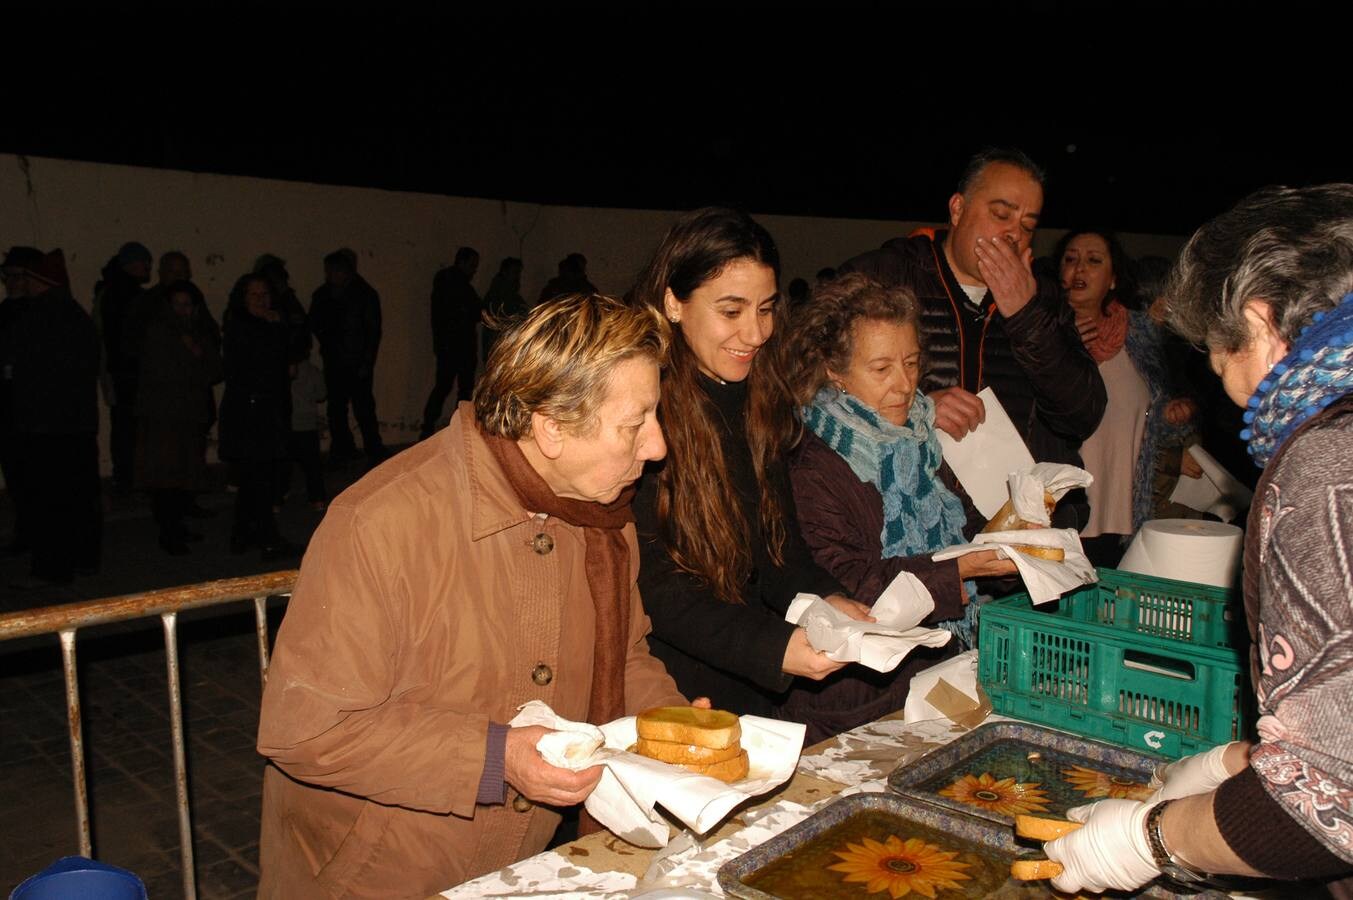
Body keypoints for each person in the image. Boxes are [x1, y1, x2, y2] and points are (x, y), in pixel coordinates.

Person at [257, 293, 690, 898]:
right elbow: (305, 731)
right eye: (634, 423)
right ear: (552, 429)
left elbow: (622, 658)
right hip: (373, 876)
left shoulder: (600, 516)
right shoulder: (382, 521)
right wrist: (497, 758)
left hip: (513, 866)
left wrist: (677, 729)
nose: (657, 446)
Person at [1041, 184, 1353, 896]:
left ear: (1258, 319)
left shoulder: (1328, 462)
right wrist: (1238, 765)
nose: (1215, 370)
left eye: (1215, 346)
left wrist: (1148, 838)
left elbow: (1330, 802)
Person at [630, 207, 874, 731]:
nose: (756, 332)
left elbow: (780, 552)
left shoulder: (761, 398)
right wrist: (775, 647)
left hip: (749, 691)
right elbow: (655, 587)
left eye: (766, 309)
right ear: (674, 302)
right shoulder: (642, 410)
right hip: (664, 689)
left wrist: (827, 601)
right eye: (732, 310)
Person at [781, 274, 1020, 738]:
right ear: (834, 370)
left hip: (934, 678)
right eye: (881, 368)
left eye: (911, 363)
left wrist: (1014, 543)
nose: (905, 384)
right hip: (852, 704)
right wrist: (963, 570)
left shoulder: (919, 441)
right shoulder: (813, 460)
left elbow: (969, 530)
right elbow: (850, 582)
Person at [840, 148, 1106, 529]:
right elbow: (816, 394)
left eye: (1028, 225)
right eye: (1001, 215)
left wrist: (1025, 314)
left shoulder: (1044, 298)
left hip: (1017, 532)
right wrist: (916, 410)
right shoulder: (883, 276)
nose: (1013, 233)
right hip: (912, 527)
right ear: (957, 208)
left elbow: (1082, 414)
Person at [1056, 229, 1201, 566]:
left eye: (1093, 261)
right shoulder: (1041, 333)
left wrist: (1174, 415)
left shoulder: (1142, 336)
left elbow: (1153, 415)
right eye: (1071, 259)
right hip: (1060, 511)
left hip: (1124, 512)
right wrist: (1063, 345)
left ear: (1113, 279)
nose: (1079, 269)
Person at [0, 250, 102, 587]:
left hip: (46, 425)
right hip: (71, 423)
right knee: (75, 496)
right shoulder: (69, 314)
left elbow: (28, 372)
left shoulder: (40, 318)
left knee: (51, 499)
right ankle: (82, 559)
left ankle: (54, 567)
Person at [134, 280, 222, 555]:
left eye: (188, 305)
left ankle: (178, 527)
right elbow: (161, 373)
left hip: (187, 416)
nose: (183, 311)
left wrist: (197, 353)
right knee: (166, 477)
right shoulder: (158, 332)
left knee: (183, 475)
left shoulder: (198, 333)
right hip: (164, 417)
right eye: (177, 305)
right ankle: (169, 533)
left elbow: (214, 369)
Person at [218, 273, 297, 560]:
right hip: (250, 413)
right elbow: (263, 365)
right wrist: (275, 330)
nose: (262, 300)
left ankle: (242, 534)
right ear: (243, 298)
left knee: (254, 478)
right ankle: (267, 538)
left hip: (264, 410)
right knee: (259, 478)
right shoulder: (243, 327)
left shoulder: (271, 323)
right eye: (254, 295)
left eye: (265, 294)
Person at [308, 250, 386, 464]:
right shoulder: (323, 295)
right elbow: (315, 321)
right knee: (336, 409)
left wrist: (366, 362)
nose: (329, 275)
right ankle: (343, 449)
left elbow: (372, 332)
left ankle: (373, 448)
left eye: (332, 271)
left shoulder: (364, 295)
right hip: (335, 361)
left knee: (364, 408)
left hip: (356, 361)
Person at [94, 241, 152, 492]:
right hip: (128, 369)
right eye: (144, 262)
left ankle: (126, 477)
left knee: (125, 425)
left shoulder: (113, 290)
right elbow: (126, 336)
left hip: (121, 369)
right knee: (129, 426)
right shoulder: (125, 294)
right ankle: (128, 478)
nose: (148, 267)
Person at [0, 246, 45, 554]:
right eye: (8, 277)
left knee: (37, 476)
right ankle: (25, 533)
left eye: (19, 276)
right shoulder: (5, 312)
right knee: (16, 475)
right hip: (8, 408)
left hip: (36, 410)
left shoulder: (42, 313)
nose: (13, 283)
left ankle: (40, 535)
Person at [420, 246, 481, 439]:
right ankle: (457, 432)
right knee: (457, 390)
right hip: (457, 346)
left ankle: (431, 428)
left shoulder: (449, 283)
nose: (474, 270)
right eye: (472, 265)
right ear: (461, 262)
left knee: (447, 388)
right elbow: (475, 310)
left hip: (451, 346)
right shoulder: (457, 285)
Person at [280, 343, 327, 511]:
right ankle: (318, 499)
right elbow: (322, 394)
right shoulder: (313, 371)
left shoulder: (281, 370)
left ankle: (277, 499)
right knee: (312, 465)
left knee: (282, 462)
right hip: (307, 425)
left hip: (287, 424)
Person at [480, 256, 527, 360]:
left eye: (518, 273)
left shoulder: (509, 293)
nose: (517, 276)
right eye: (514, 272)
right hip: (500, 344)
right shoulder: (500, 293)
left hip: (503, 343)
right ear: (505, 272)